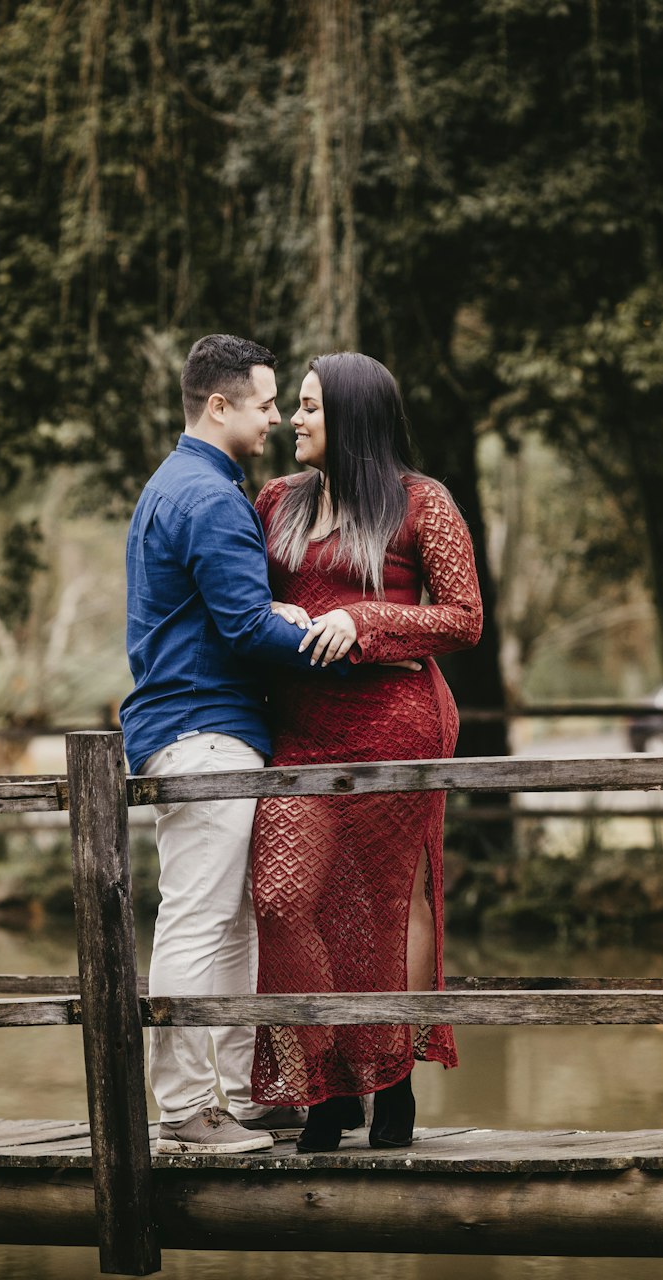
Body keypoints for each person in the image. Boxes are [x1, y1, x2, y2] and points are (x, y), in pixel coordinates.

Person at [249, 352, 483, 1152]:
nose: (296, 421)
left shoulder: (424, 503)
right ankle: (322, 1085)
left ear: (351, 416)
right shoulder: (276, 501)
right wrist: (268, 606)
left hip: (399, 720)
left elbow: (463, 618)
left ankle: (391, 1086)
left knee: (386, 907)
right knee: (284, 901)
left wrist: (367, 620)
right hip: (301, 730)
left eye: (310, 407)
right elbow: (238, 594)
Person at [120, 333, 345, 1156]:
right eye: (264, 401)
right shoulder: (211, 498)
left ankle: (244, 1093)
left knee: (237, 920)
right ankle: (184, 1106)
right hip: (203, 731)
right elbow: (246, 629)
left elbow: (229, 616)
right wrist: (347, 639)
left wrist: (276, 619)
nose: (277, 415)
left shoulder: (178, 484)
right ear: (219, 405)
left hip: (207, 729)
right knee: (199, 917)